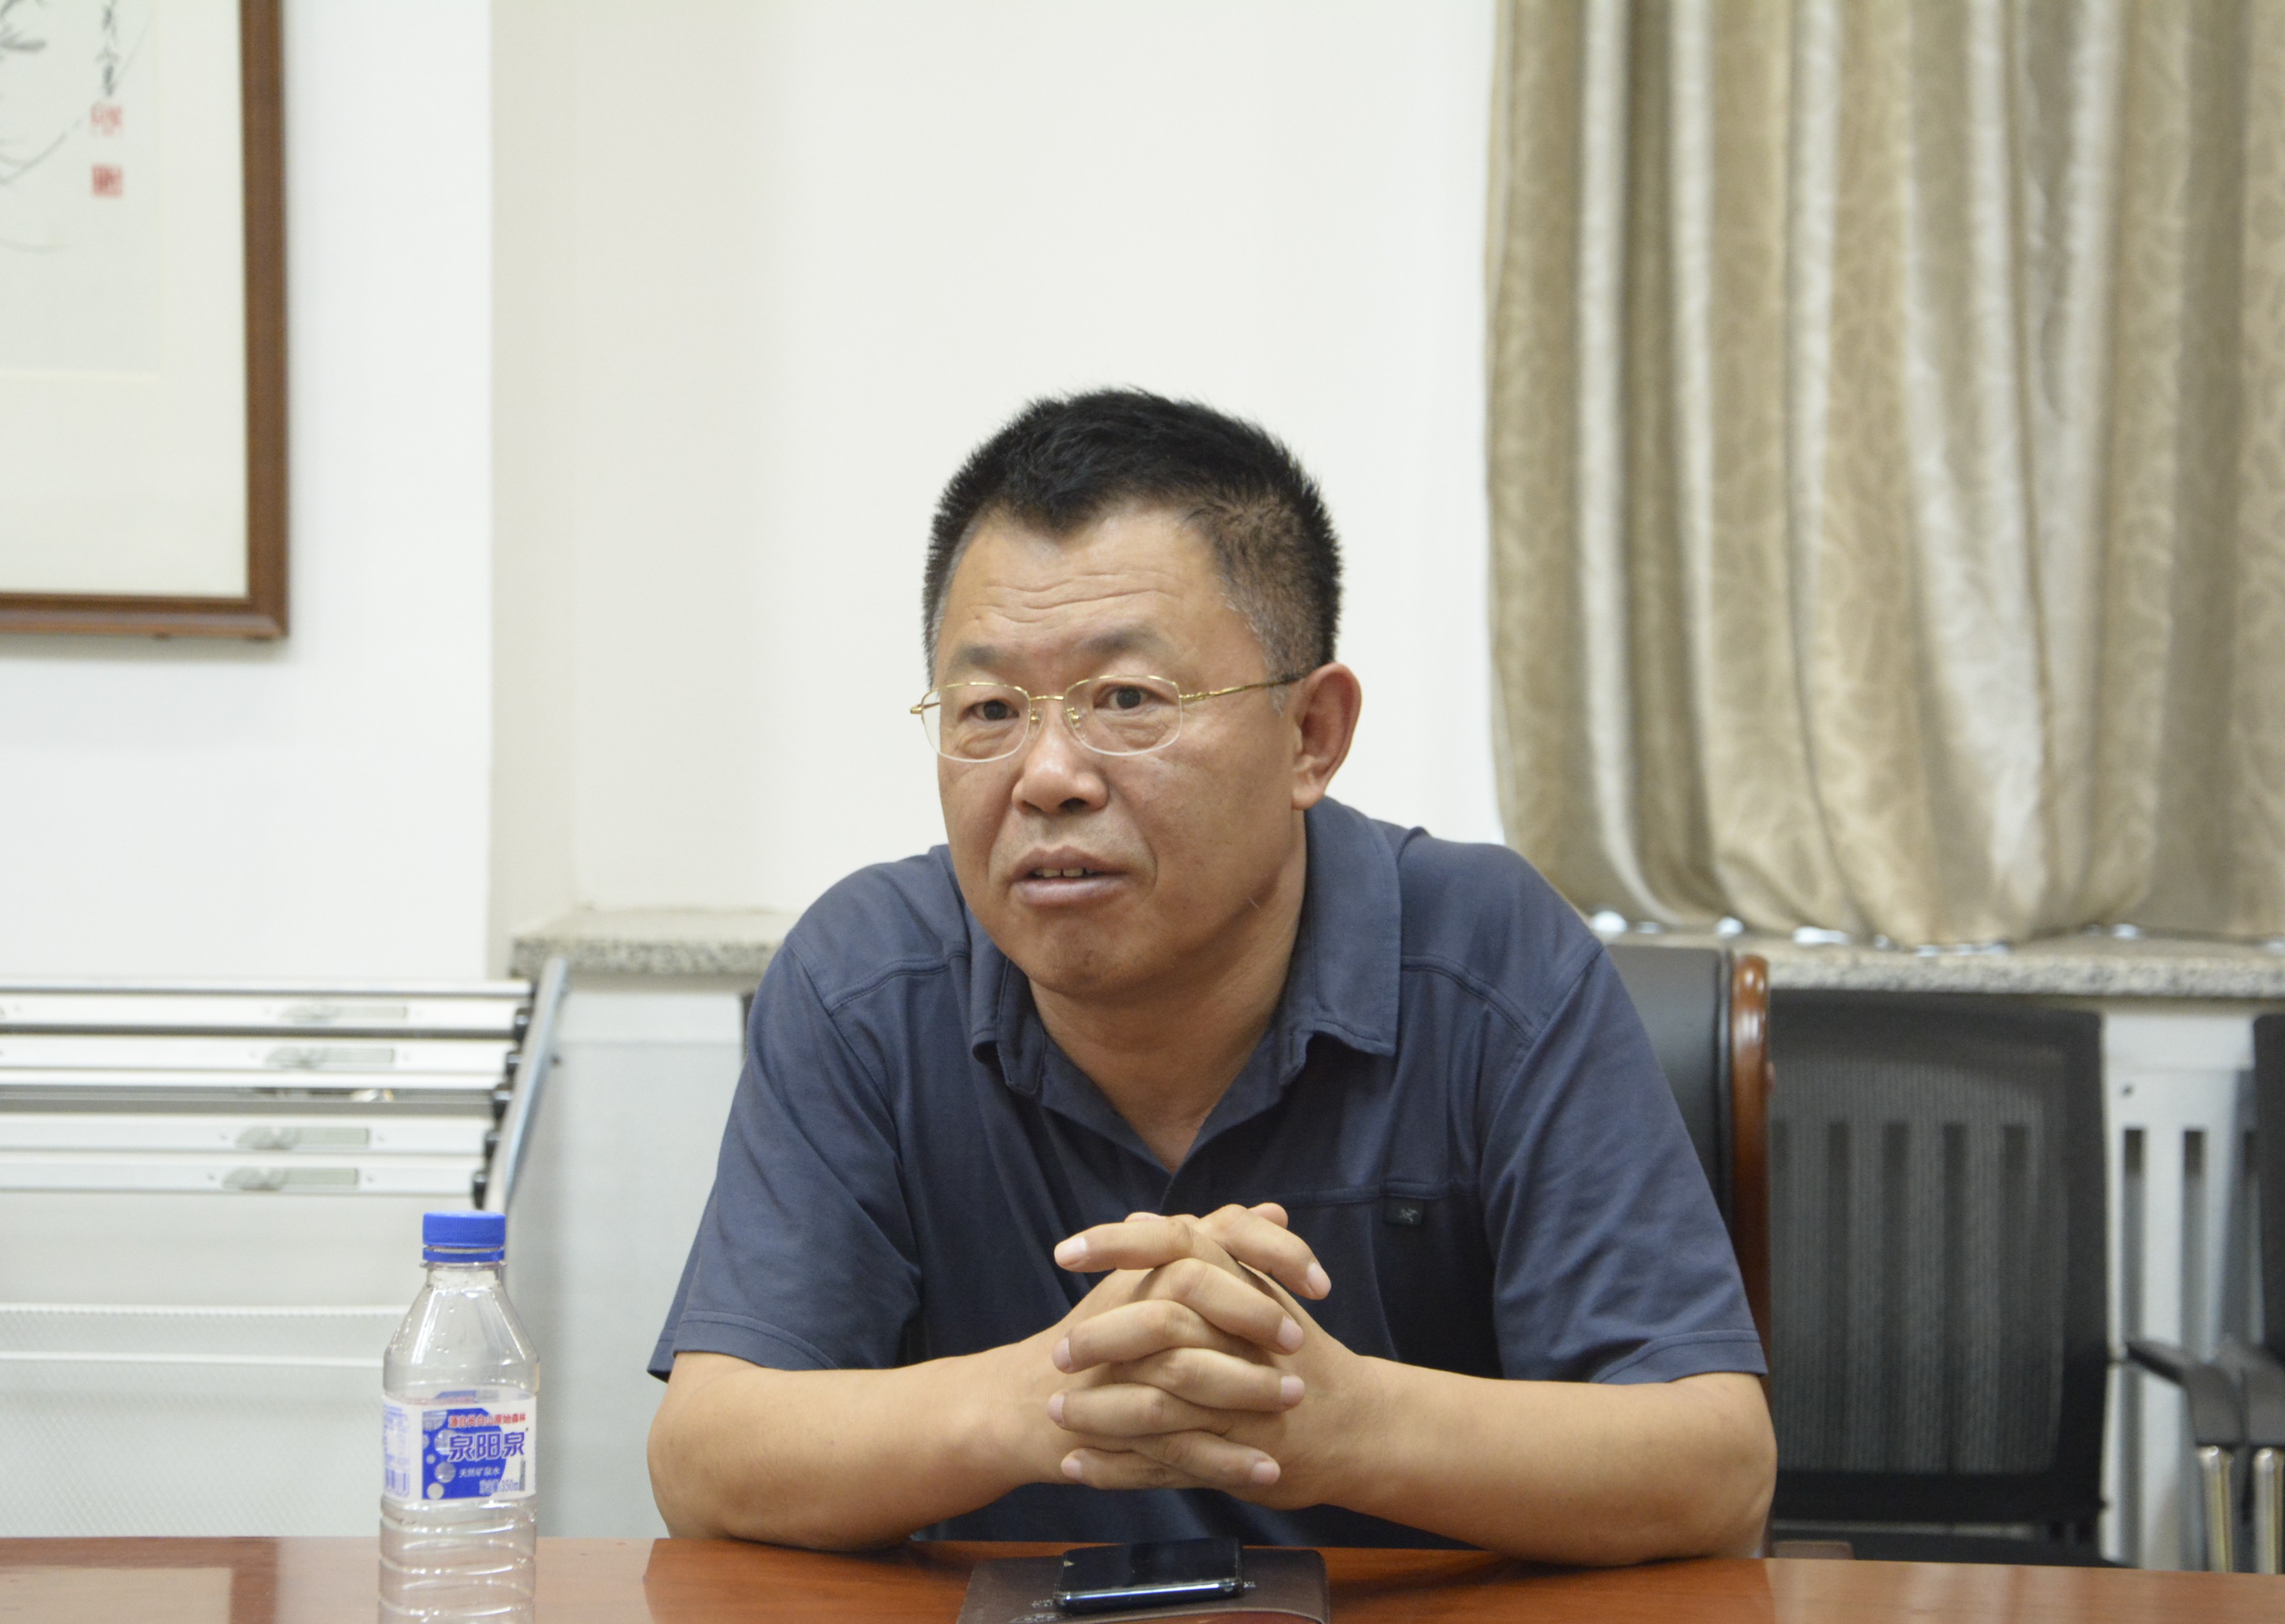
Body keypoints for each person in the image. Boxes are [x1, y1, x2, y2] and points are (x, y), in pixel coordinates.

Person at [646, 390, 1772, 1564]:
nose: (1047, 775)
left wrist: (1343, 1423)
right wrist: (1045, 1396)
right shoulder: (866, 978)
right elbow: (707, 1458)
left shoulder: (1492, 955)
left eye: (1127, 700)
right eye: (989, 710)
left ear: (1311, 736)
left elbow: (1714, 1467)